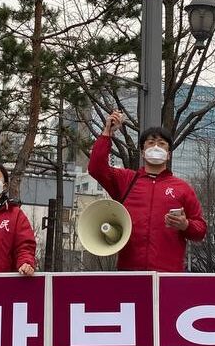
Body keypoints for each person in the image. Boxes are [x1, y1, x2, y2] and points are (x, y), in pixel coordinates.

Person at [87, 111, 206, 272]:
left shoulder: (183, 188)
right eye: (151, 143)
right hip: (130, 273)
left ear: (169, 155)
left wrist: (185, 225)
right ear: (143, 153)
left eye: (162, 143)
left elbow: (200, 230)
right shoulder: (126, 180)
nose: (156, 147)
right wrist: (108, 132)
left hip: (168, 275)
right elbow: (96, 168)